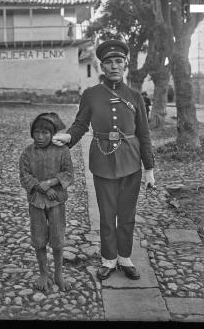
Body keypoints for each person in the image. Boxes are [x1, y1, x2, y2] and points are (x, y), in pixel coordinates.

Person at [52, 39, 155, 281]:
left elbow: (144, 134)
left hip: (131, 163)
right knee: (107, 214)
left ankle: (125, 258)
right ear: (102, 67)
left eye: (118, 61)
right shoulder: (91, 95)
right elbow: (80, 124)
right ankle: (109, 260)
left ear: (126, 64)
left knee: (127, 214)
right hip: (103, 162)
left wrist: (149, 168)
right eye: (108, 62)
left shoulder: (135, 96)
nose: (114, 66)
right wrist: (68, 137)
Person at [19, 112, 74, 291]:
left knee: (58, 238)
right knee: (39, 238)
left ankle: (58, 273)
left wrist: (51, 182)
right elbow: (24, 175)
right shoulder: (27, 153)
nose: (40, 137)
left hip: (56, 201)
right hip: (36, 201)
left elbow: (68, 174)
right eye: (37, 132)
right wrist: (40, 187)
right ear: (32, 133)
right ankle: (43, 273)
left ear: (53, 134)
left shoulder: (62, 151)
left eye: (45, 133)